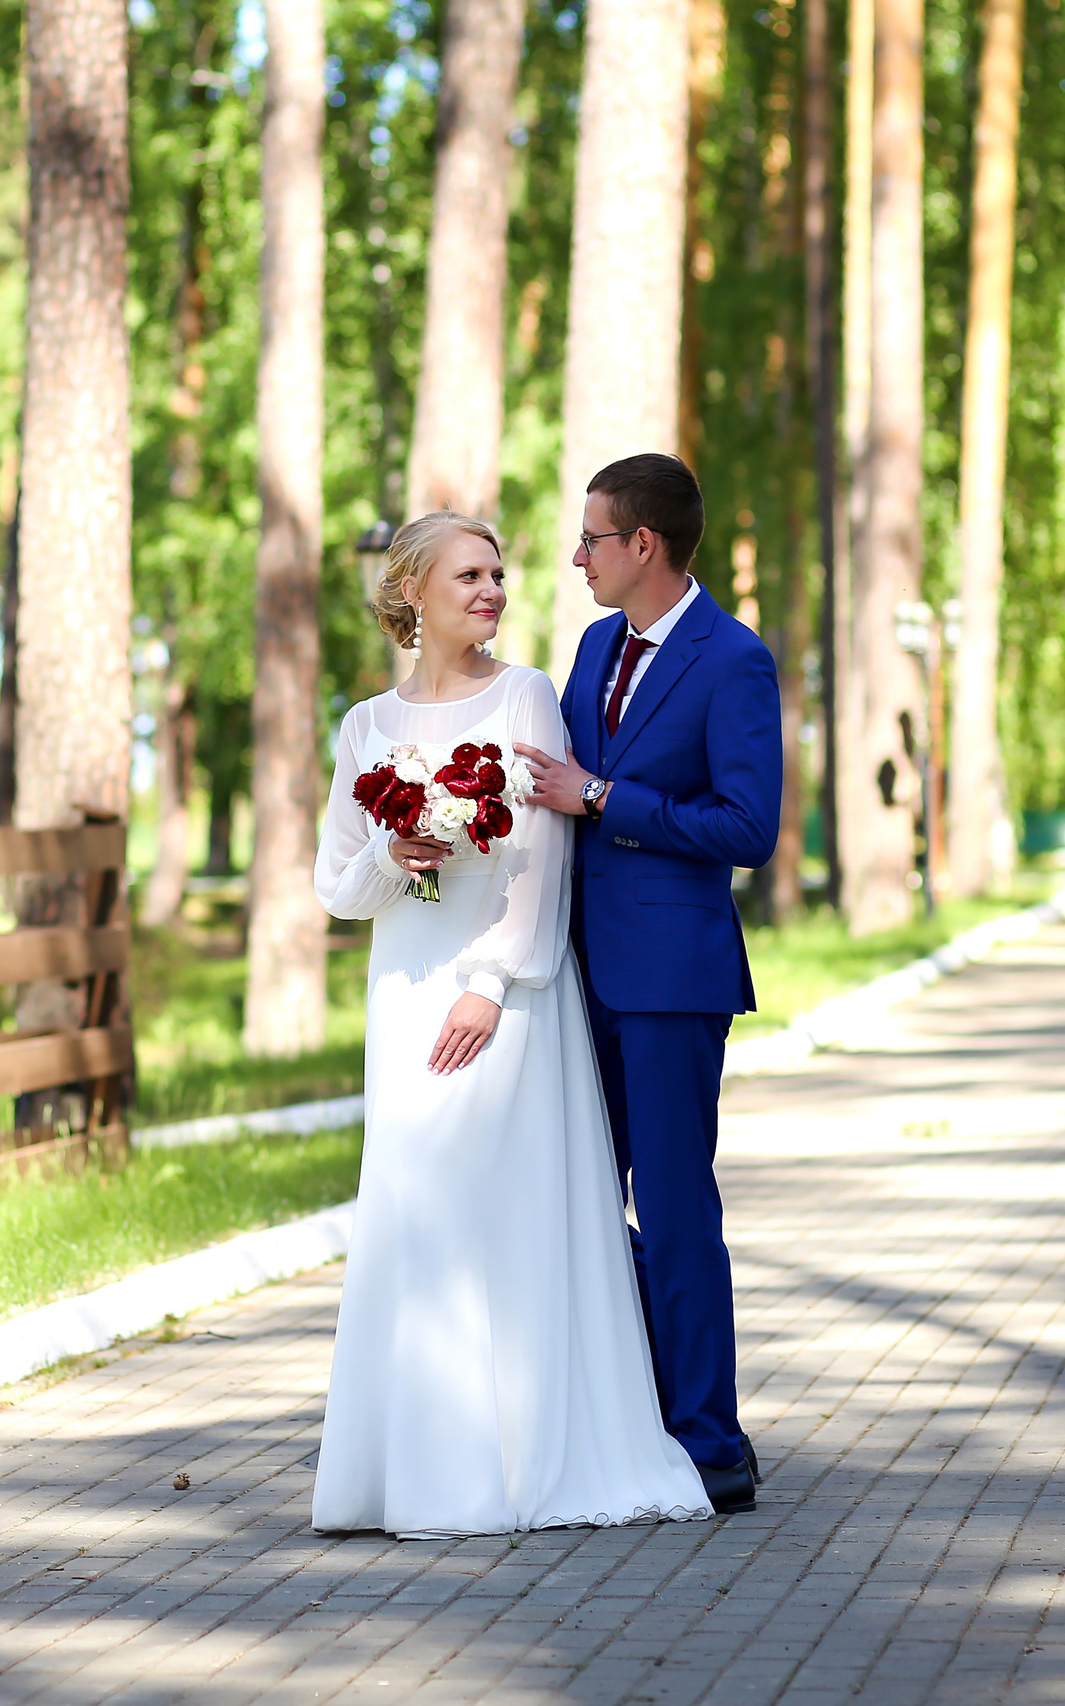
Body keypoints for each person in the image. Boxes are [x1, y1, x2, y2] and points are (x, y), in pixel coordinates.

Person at [310, 510, 712, 1537]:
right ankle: (410, 1470)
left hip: (505, 992)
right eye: (469, 574)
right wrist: (387, 856)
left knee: (505, 1208)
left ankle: (523, 1453)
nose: (491, 589)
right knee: (418, 1207)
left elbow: (543, 857)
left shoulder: (525, 693)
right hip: (404, 986)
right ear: (411, 592)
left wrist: (493, 980)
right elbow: (336, 885)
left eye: (497, 573)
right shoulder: (364, 724)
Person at [516, 453, 781, 1516]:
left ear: (644, 546)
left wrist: (604, 796)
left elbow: (745, 827)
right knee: (578, 1201)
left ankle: (710, 1442)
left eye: (591, 537)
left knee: (671, 1211)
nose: (576, 555)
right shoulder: (590, 644)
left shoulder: (733, 661)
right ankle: (625, 1416)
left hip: (672, 979)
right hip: (575, 969)